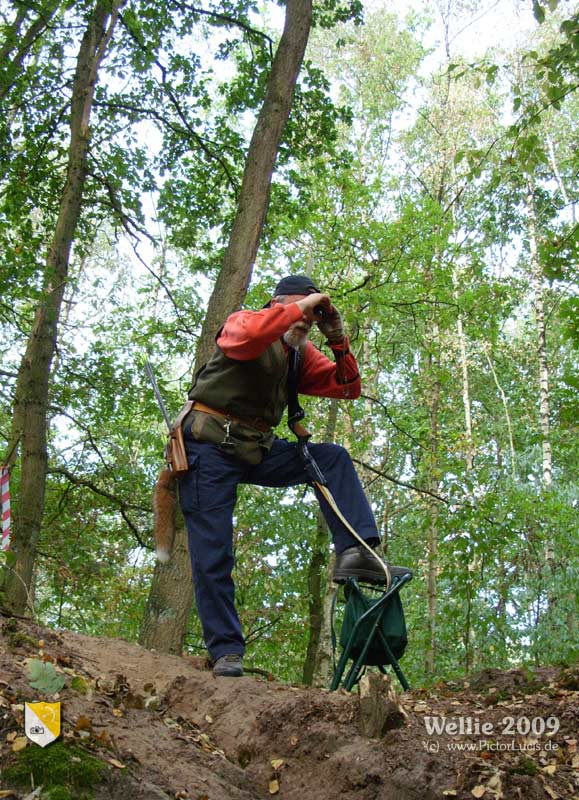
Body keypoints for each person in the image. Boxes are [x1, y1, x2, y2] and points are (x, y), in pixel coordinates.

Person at [176, 275, 406, 677]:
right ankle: (227, 651)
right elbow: (247, 337)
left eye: (311, 316)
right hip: (208, 448)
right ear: (277, 305)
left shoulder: (300, 353)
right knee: (213, 552)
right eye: (300, 311)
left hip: (255, 450)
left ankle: (358, 551)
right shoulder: (246, 323)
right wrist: (300, 308)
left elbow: (348, 387)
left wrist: (338, 339)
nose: (304, 322)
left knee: (330, 458)